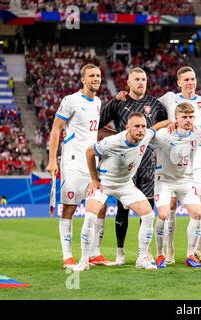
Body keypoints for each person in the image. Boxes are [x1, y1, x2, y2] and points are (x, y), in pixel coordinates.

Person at [72, 112, 171, 271]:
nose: (141, 130)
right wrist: (94, 180)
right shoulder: (112, 142)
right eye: (137, 126)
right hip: (104, 183)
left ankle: (142, 258)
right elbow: (90, 152)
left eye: (143, 126)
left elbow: (155, 127)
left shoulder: (145, 136)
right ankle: (83, 261)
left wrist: (172, 122)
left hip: (125, 184)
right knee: (90, 216)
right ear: (127, 128)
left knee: (148, 215)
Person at [99, 67, 168, 266]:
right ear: (128, 82)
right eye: (137, 79)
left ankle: (143, 253)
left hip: (147, 164)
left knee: (146, 208)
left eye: (144, 79)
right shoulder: (118, 102)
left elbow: (162, 127)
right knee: (123, 209)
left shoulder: (155, 105)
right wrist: (115, 140)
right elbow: (98, 125)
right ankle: (120, 252)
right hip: (123, 167)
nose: (141, 82)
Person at [46, 64, 111, 269]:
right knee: (70, 207)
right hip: (73, 161)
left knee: (101, 206)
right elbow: (56, 130)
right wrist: (51, 160)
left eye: (99, 75)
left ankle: (95, 253)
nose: (96, 78)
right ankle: (67, 256)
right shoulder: (71, 101)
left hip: (92, 162)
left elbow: (94, 131)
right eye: (91, 75)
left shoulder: (98, 102)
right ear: (83, 79)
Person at [157, 66, 201, 264]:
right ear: (179, 82)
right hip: (171, 160)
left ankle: (198, 249)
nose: (191, 83)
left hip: (197, 162)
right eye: (187, 80)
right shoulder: (169, 98)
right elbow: (147, 107)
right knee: (171, 205)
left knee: (200, 205)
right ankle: (169, 251)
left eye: (193, 79)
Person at [152, 102, 201, 268]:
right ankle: (160, 255)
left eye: (191, 117)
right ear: (176, 119)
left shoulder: (198, 133)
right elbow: (147, 133)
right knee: (163, 215)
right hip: (164, 180)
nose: (188, 120)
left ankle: (190, 255)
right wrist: (164, 123)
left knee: (198, 214)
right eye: (184, 117)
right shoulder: (163, 135)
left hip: (185, 181)